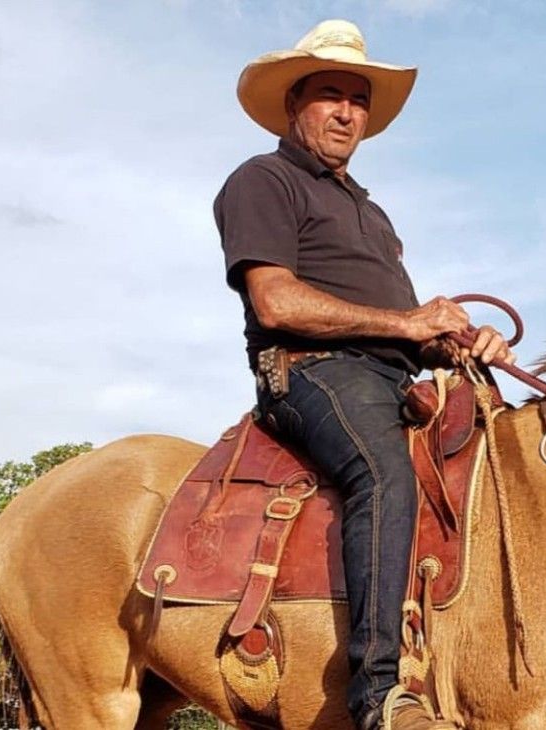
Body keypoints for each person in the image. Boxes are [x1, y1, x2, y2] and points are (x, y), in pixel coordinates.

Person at [213, 19, 514, 730]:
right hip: (310, 373)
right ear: (296, 106)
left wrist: (461, 344)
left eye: (359, 98)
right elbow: (275, 299)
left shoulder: (371, 213)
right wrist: (409, 324)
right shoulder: (264, 179)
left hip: (388, 375)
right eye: (330, 95)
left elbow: (402, 328)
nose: (348, 111)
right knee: (384, 472)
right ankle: (380, 694)